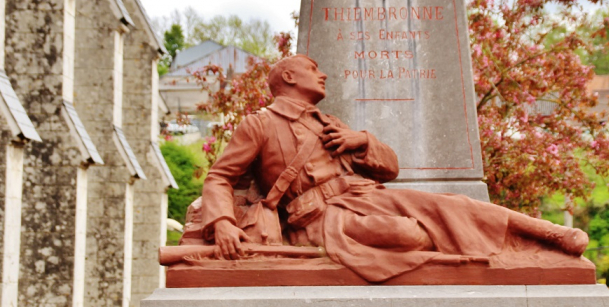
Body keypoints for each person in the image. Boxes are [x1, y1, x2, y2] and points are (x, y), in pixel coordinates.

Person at [202, 54, 589, 283]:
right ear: (288, 77)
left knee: (453, 204)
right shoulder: (260, 124)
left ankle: (548, 236)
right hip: (322, 219)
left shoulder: (328, 122)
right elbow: (220, 176)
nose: (323, 75)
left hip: (368, 198)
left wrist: (363, 141)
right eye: (313, 68)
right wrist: (221, 222)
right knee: (411, 235)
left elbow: (390, 170)